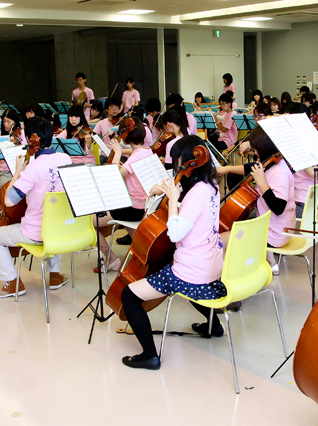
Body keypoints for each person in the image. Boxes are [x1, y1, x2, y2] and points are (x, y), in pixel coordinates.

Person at [119, 135, 226, 370]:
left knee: (129, 296)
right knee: (193, 285)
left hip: (193, 271)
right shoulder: (211, 184)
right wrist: (167, 189)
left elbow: (175, 233)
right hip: (212, 264)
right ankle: (214, 325)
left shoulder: (195, 193)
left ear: (185, 160)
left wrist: (173, 199)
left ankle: (149, 355)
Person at [0, 117, 72, 298]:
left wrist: (18, 171)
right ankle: (54, 276)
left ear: (32, 139)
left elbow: (9, 201)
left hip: (35, 234)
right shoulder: (65, 158)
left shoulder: (32, 169)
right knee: (54, 220)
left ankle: (12, 283)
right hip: (63, 228)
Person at [217, 126, 295, 274]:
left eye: (256, 149)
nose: (255, 153)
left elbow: (278, 208)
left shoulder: (279, 173)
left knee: (220, 241)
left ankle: (231, 277)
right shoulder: (273, 162)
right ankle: (269, 261)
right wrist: (227, 169)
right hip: (274, 226)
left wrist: (261, 182)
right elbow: (252, 167)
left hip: (275, 233)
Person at [93, 116, 150, 270]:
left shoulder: (136, 155)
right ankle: (142, 254)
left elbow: (113, 177)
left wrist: (117, 152)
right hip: (143, 206)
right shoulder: (147, 151)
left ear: (126, 136)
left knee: (91, 223)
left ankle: (111, 259)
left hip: (132, 208)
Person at [0, 109, 25, 192]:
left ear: (15, 122)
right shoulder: (0, 135)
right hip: (5, 170)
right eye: (4, 121)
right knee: (6, 187)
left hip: (21, 169)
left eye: (9, 122)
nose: (5, 124)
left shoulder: (22, 134)